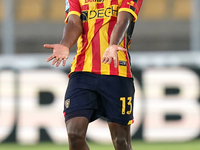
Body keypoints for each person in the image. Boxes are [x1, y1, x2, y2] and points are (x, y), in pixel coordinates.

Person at [44, 0, 143, 149]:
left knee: (121, 141)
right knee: (74, 134)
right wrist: (65, 44)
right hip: (82, 71)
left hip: (116, 70)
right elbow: (74, 23)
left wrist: (113, 44)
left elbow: (124, 20)